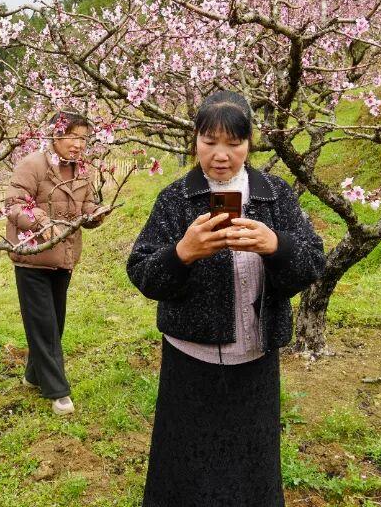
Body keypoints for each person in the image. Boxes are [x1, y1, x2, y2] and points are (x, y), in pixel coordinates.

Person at [126, 91, 326, 506]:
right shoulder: (175, 199)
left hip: (256, 355)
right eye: (209, 141)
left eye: (233, 143)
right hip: (190, 357)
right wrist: (182, 253)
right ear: (194, 141)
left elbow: (312, 262)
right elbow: (143, 273)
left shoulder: (275, 195)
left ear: (249, 143)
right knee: (185, 460)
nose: (221, 155)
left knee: (251, 459)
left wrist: (276, 245)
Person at [5, 110, 109, 415]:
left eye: (84, 138)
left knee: (55, 323)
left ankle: (32, 376)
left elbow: (83, 207)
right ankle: (57, 391)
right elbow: (14, 205)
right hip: (33, 258)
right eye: (72, 136)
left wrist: (95, 214)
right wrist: (38, 221)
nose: (78, 144)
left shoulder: (81, 171)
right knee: (44, 325)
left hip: (63, 257)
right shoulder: (32, 165)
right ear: (55, 135)